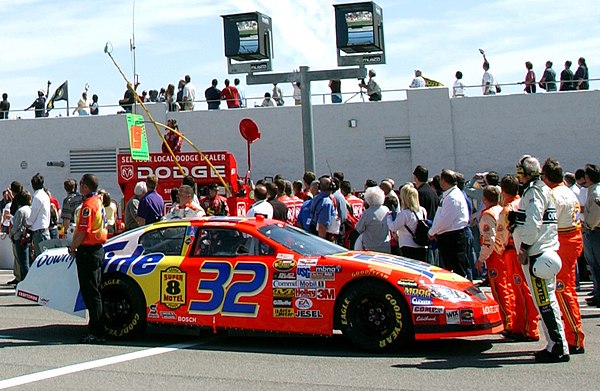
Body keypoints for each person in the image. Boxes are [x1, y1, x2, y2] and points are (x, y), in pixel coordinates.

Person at [513, 155, 569, 363]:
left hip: (537, 254)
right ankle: (555, 344)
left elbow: (534, 222)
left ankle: (557, 346)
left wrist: (525, 247)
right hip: (541, 252)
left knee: (545, 303)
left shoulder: (536, 192)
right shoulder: (540, 190)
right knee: (545, 302)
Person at [541, 158, 585, 354]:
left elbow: (549, 223)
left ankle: (574, 337)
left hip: (564, 241)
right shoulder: (568, 191)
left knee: (562, 291)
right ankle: (571, 335)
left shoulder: (554, 195)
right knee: (566, 290)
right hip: (572, 238)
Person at [494, 174, 538, 342]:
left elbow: (501, 237)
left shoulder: (507, 210)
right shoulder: (524, 203)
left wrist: (499, 252)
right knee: (520, 291)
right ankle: (520, 326)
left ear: (503, 191)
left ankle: (529, 328)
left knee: (521, 291)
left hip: (512, 252)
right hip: (525, 249)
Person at [68, 173, 108, 344]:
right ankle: (96, 327)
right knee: (95, 291)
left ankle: (96, 331)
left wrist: (73, 247)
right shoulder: (99, 201)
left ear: (85, 186)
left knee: (91, 293)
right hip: (97, 249)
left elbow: (82, 231)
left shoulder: (88, 206)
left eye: (81, 184)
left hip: (88, 251)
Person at [474, 186, 514, 331]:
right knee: (508, 286)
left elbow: (488, 240)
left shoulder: (488, 215)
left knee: (499, 288)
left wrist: (481, 259)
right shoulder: (502, 210)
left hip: (495, 255)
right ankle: (511, 317)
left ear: (484, 199)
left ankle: (506, 320)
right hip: (504, 251)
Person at [427, 169, 469, 276]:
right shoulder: (450, 194)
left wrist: (432, 232)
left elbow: (445, 219)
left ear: (444, 181)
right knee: (451, 268)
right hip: (448, 235)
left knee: (456, 269)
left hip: (453, 238)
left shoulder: (452, 197)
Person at [387, 184, 427, 261]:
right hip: (421, 245)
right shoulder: (422, 210)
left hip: (407, 245)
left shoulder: (404, 213)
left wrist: (389, 216)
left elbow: (393, 227)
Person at [582, 164, 600, 306]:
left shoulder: (595, 193)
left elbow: (596, 214)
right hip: (594, 231)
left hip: (595, 231)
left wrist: (587, 225)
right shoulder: (593, 190)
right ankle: (597, 292)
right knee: (593, 265)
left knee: (596, 264)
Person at [354, 186, 390, 252]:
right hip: (385, 246)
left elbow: (359, 228)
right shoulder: (386, 210)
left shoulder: (367, 213)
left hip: (370, 247)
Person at [26, 173, 50, 260]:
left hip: (39, 231)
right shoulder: (45, 195)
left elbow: (33, 214)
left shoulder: (37, 197)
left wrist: (27, 225)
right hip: (45, 229)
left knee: (40, 258)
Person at [308, 176, 339, 242]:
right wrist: (323, 243)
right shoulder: (327, 203)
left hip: (314, 231)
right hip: (324, 235)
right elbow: (322, 226)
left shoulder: (316, 198)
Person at [9, 191, 31, 282]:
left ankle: (25, 281)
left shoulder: (20, 211)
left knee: (22, 262)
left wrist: (11, 234)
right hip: (28, 237)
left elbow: (16, 226)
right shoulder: (30, 209)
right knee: (27, 260)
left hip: (19, 237)